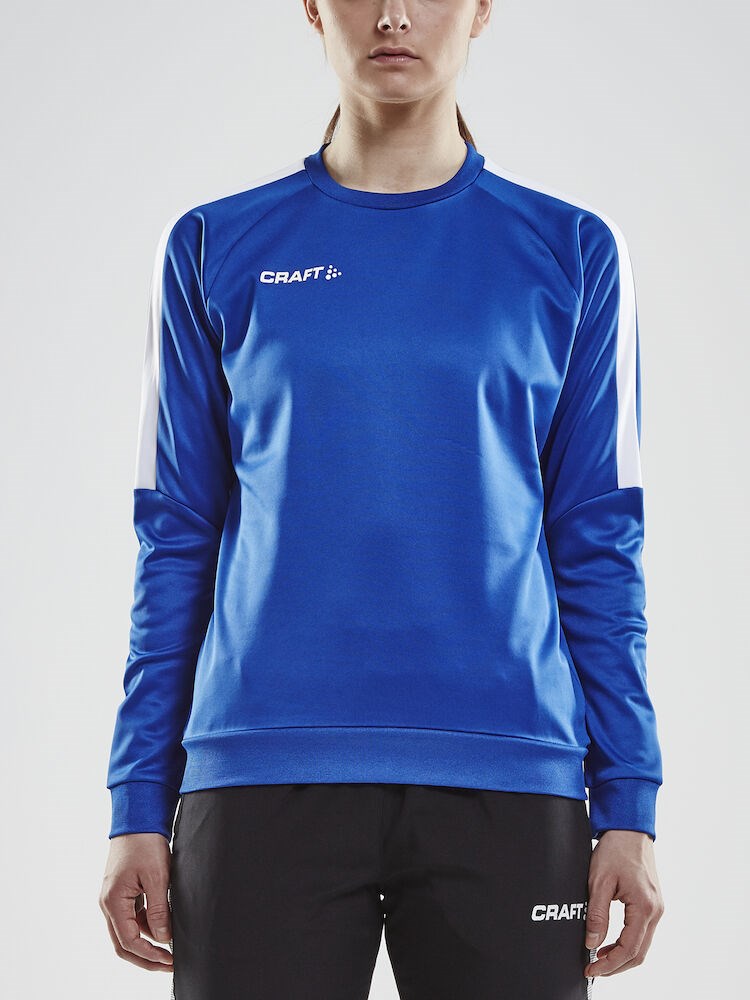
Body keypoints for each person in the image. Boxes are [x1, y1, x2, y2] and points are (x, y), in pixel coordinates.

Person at [99, 2, 665, 997]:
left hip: (510, 780)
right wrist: (136, 799)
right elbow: (176, 537)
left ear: (482, 9)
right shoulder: (213, 245)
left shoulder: (573, 250)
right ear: (312, 9)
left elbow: (598, 541)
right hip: (260, 775)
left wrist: (630, 801)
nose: (395, 15)